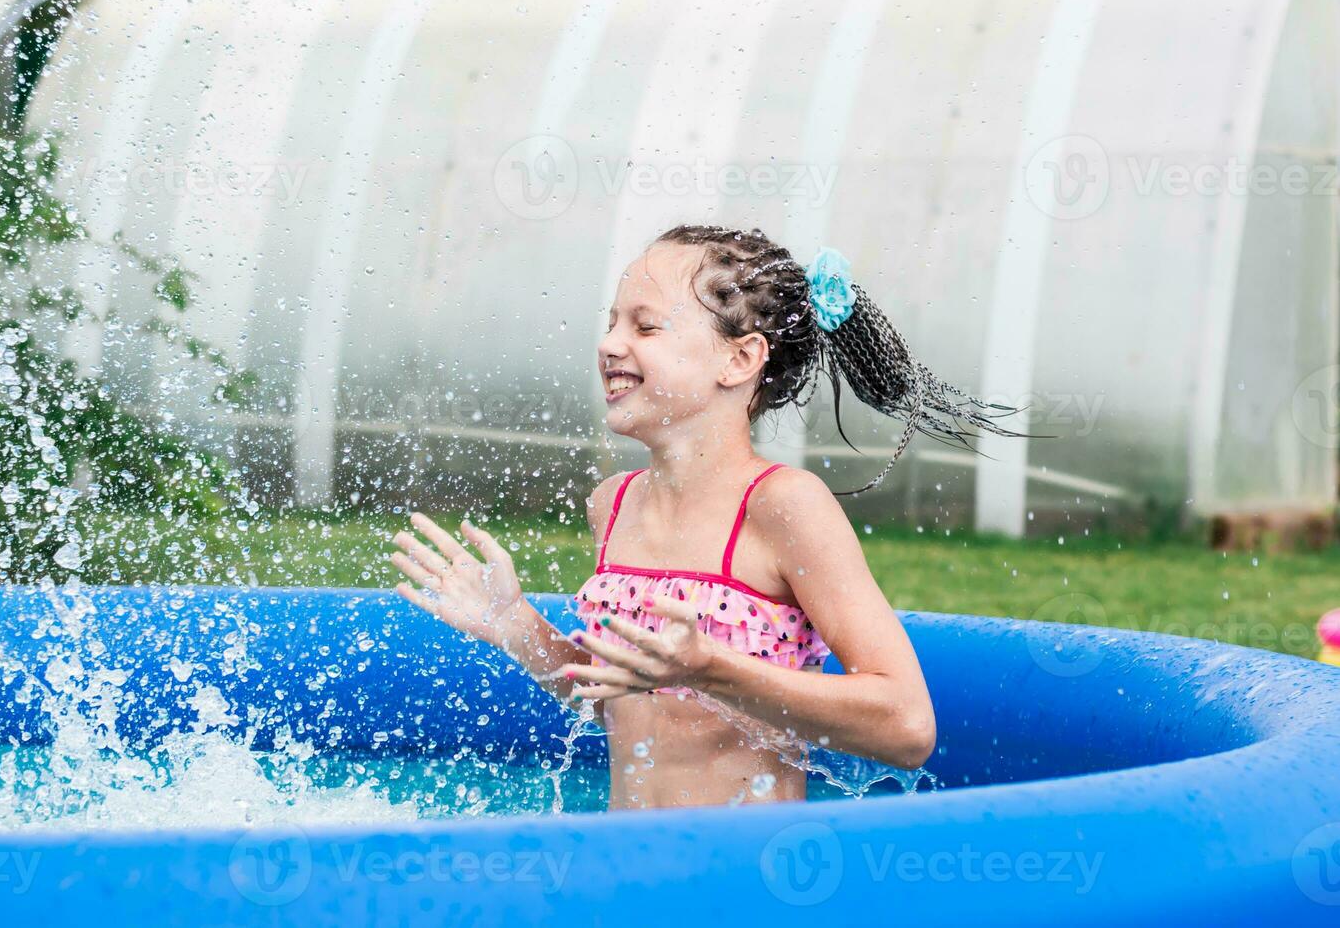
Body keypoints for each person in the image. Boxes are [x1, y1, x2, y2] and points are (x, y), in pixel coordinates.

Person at [388, 224, 1026, 809]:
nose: (610, 343)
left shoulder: (783, 507)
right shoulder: (614, 504)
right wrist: (516, 625)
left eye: (646, 326)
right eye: (612, 322)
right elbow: (626, 706)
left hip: (741, 882)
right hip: (625, 873)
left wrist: (712, 669)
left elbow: (907, 724)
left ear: (740, 359)